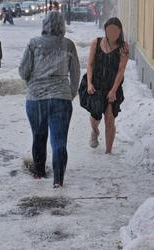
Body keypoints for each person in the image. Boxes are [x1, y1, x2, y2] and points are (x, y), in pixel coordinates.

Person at [19, 12, 80, 188]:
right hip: (61, 98)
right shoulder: (68, 45)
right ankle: (58, 181)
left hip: (36, 98)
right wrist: (70, 93)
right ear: (62, 25)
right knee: (59, 141)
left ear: (44, 25)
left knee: (38, 137)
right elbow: (75, 72)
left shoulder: (33, 44)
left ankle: (39, 174)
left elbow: (23, 72)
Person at [87, 17, 129, 154]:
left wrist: (114, 90)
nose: (112, 33)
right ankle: (94, 130)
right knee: (95, 116)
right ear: (105, 30)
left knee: (110, 118)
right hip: (96, 85)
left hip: (113, 86)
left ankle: (108, 152)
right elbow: (90, 64)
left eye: (115, 31)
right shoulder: (96, 42)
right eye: (109, 30)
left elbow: (121, 71)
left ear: (120, 31)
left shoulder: (123, 48)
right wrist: (89, 83)